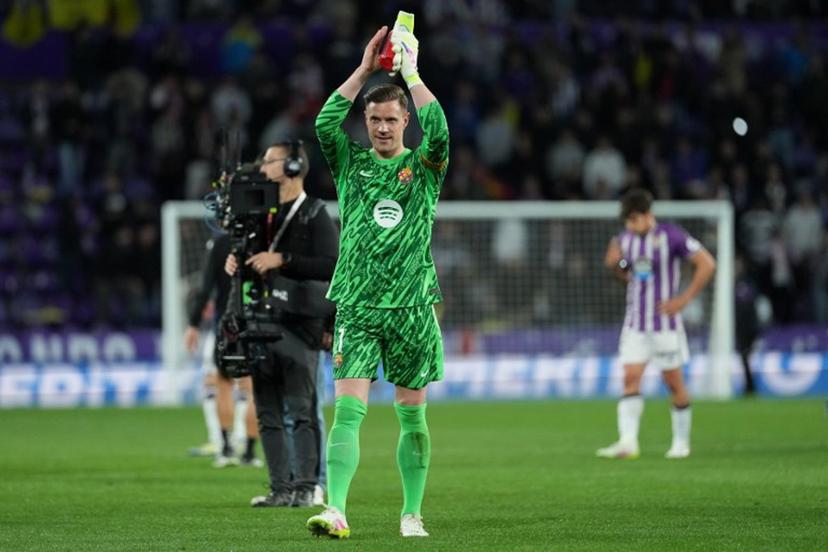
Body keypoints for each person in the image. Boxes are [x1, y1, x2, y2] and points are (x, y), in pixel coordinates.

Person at [306, 21, 449, 539]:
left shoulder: (427, 166)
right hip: (359, 305)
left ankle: (411, 513)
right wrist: (365, 69)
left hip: (412, 305)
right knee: (348, 411)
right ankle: (337, 509)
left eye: (391, 119)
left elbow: (441, 133)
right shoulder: (350, 165)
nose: (382, 128)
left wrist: (410, 71)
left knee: (412, 418)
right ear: (365, 122)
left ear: (404, 119)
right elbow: (325, 125)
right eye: (374, 120)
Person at [224, 140, 338, 508]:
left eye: (268, 161)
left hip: (300, 323)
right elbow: (248, 258)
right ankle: (280, 489)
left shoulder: (315, 213)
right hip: (261, 318)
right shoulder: (261, 213)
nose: (261, 168)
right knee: (268, 410)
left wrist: (283, 259)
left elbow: (333, 267)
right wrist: (235, 261)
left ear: (292, 167)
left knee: (303, 409)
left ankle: (308, 487)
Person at [597, 189, 716, 460]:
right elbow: (632, 276)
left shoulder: (671, 236)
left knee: (674, 383)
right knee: (630, 378)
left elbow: (707, 263)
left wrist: (683, 299)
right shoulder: (625, 239)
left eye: (633, 219)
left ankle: (681, 443)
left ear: (647, 215)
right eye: (627, 221)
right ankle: (628, 442)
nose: (629, 226)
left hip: (665, 324)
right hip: (635, 323)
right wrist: (614, 266)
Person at [185, 233, 262, 468]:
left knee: (223, 385)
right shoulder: (263, 240)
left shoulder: (220, 243)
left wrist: (194, 324)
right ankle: (249, 452)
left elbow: (206, 286)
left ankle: (227, 448)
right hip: (256, 322)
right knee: (252, 389)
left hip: (227, 324)